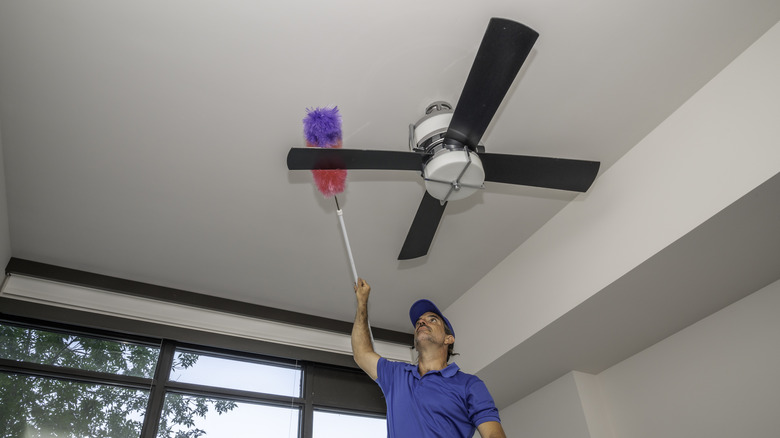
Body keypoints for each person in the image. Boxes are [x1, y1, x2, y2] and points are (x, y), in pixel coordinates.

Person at [351, 278, 507, 438]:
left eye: (432, 319)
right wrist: (362, 303)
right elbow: (361, 353)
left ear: (448, 339)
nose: (422, 322)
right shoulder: (396, 375)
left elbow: (493, 434)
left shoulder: (469, 385)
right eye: (418, 322)